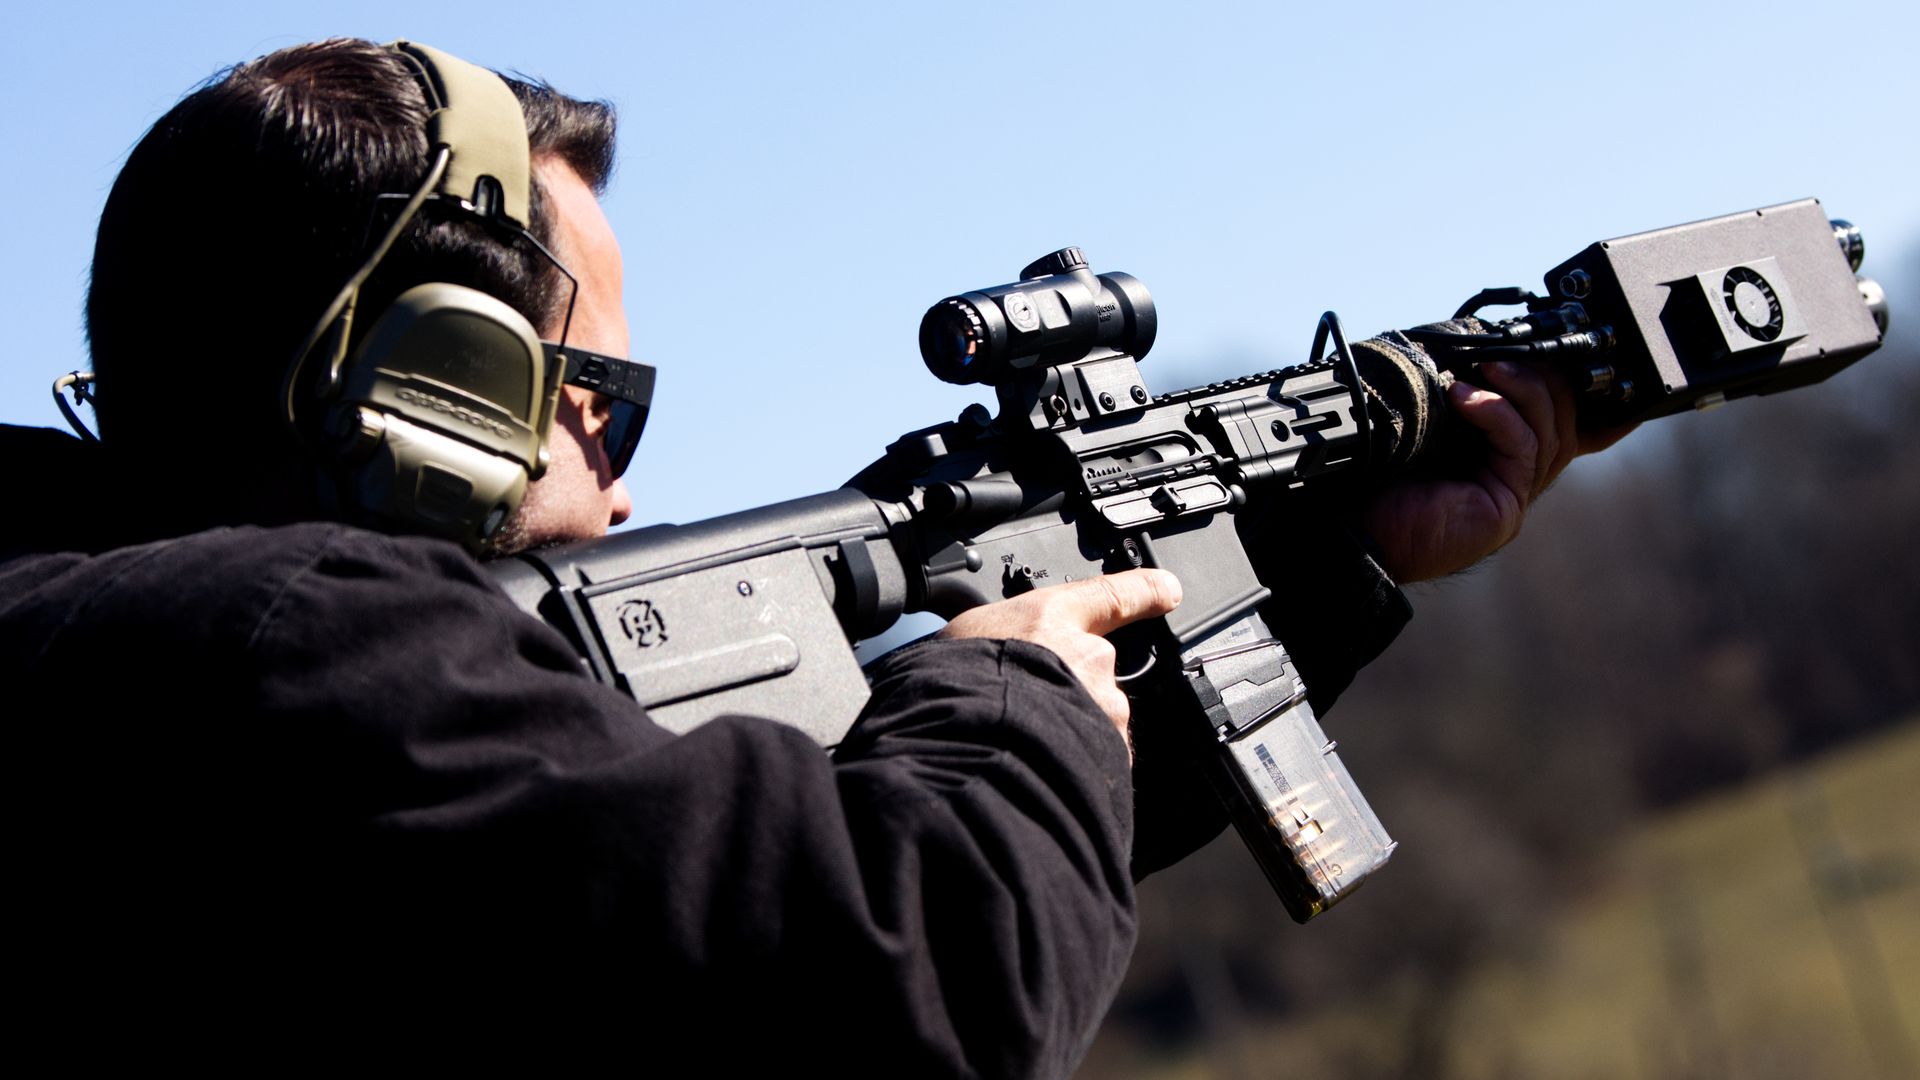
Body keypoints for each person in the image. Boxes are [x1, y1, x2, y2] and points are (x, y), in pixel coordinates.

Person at [1, 38, 1615, 1072]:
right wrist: (1012, 699)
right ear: (445, 388)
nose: (628, 494)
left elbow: (727, 910)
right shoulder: (300, 660)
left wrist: (1314, 563)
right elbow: (908, 986)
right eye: (607, 409)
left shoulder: (115, 671)